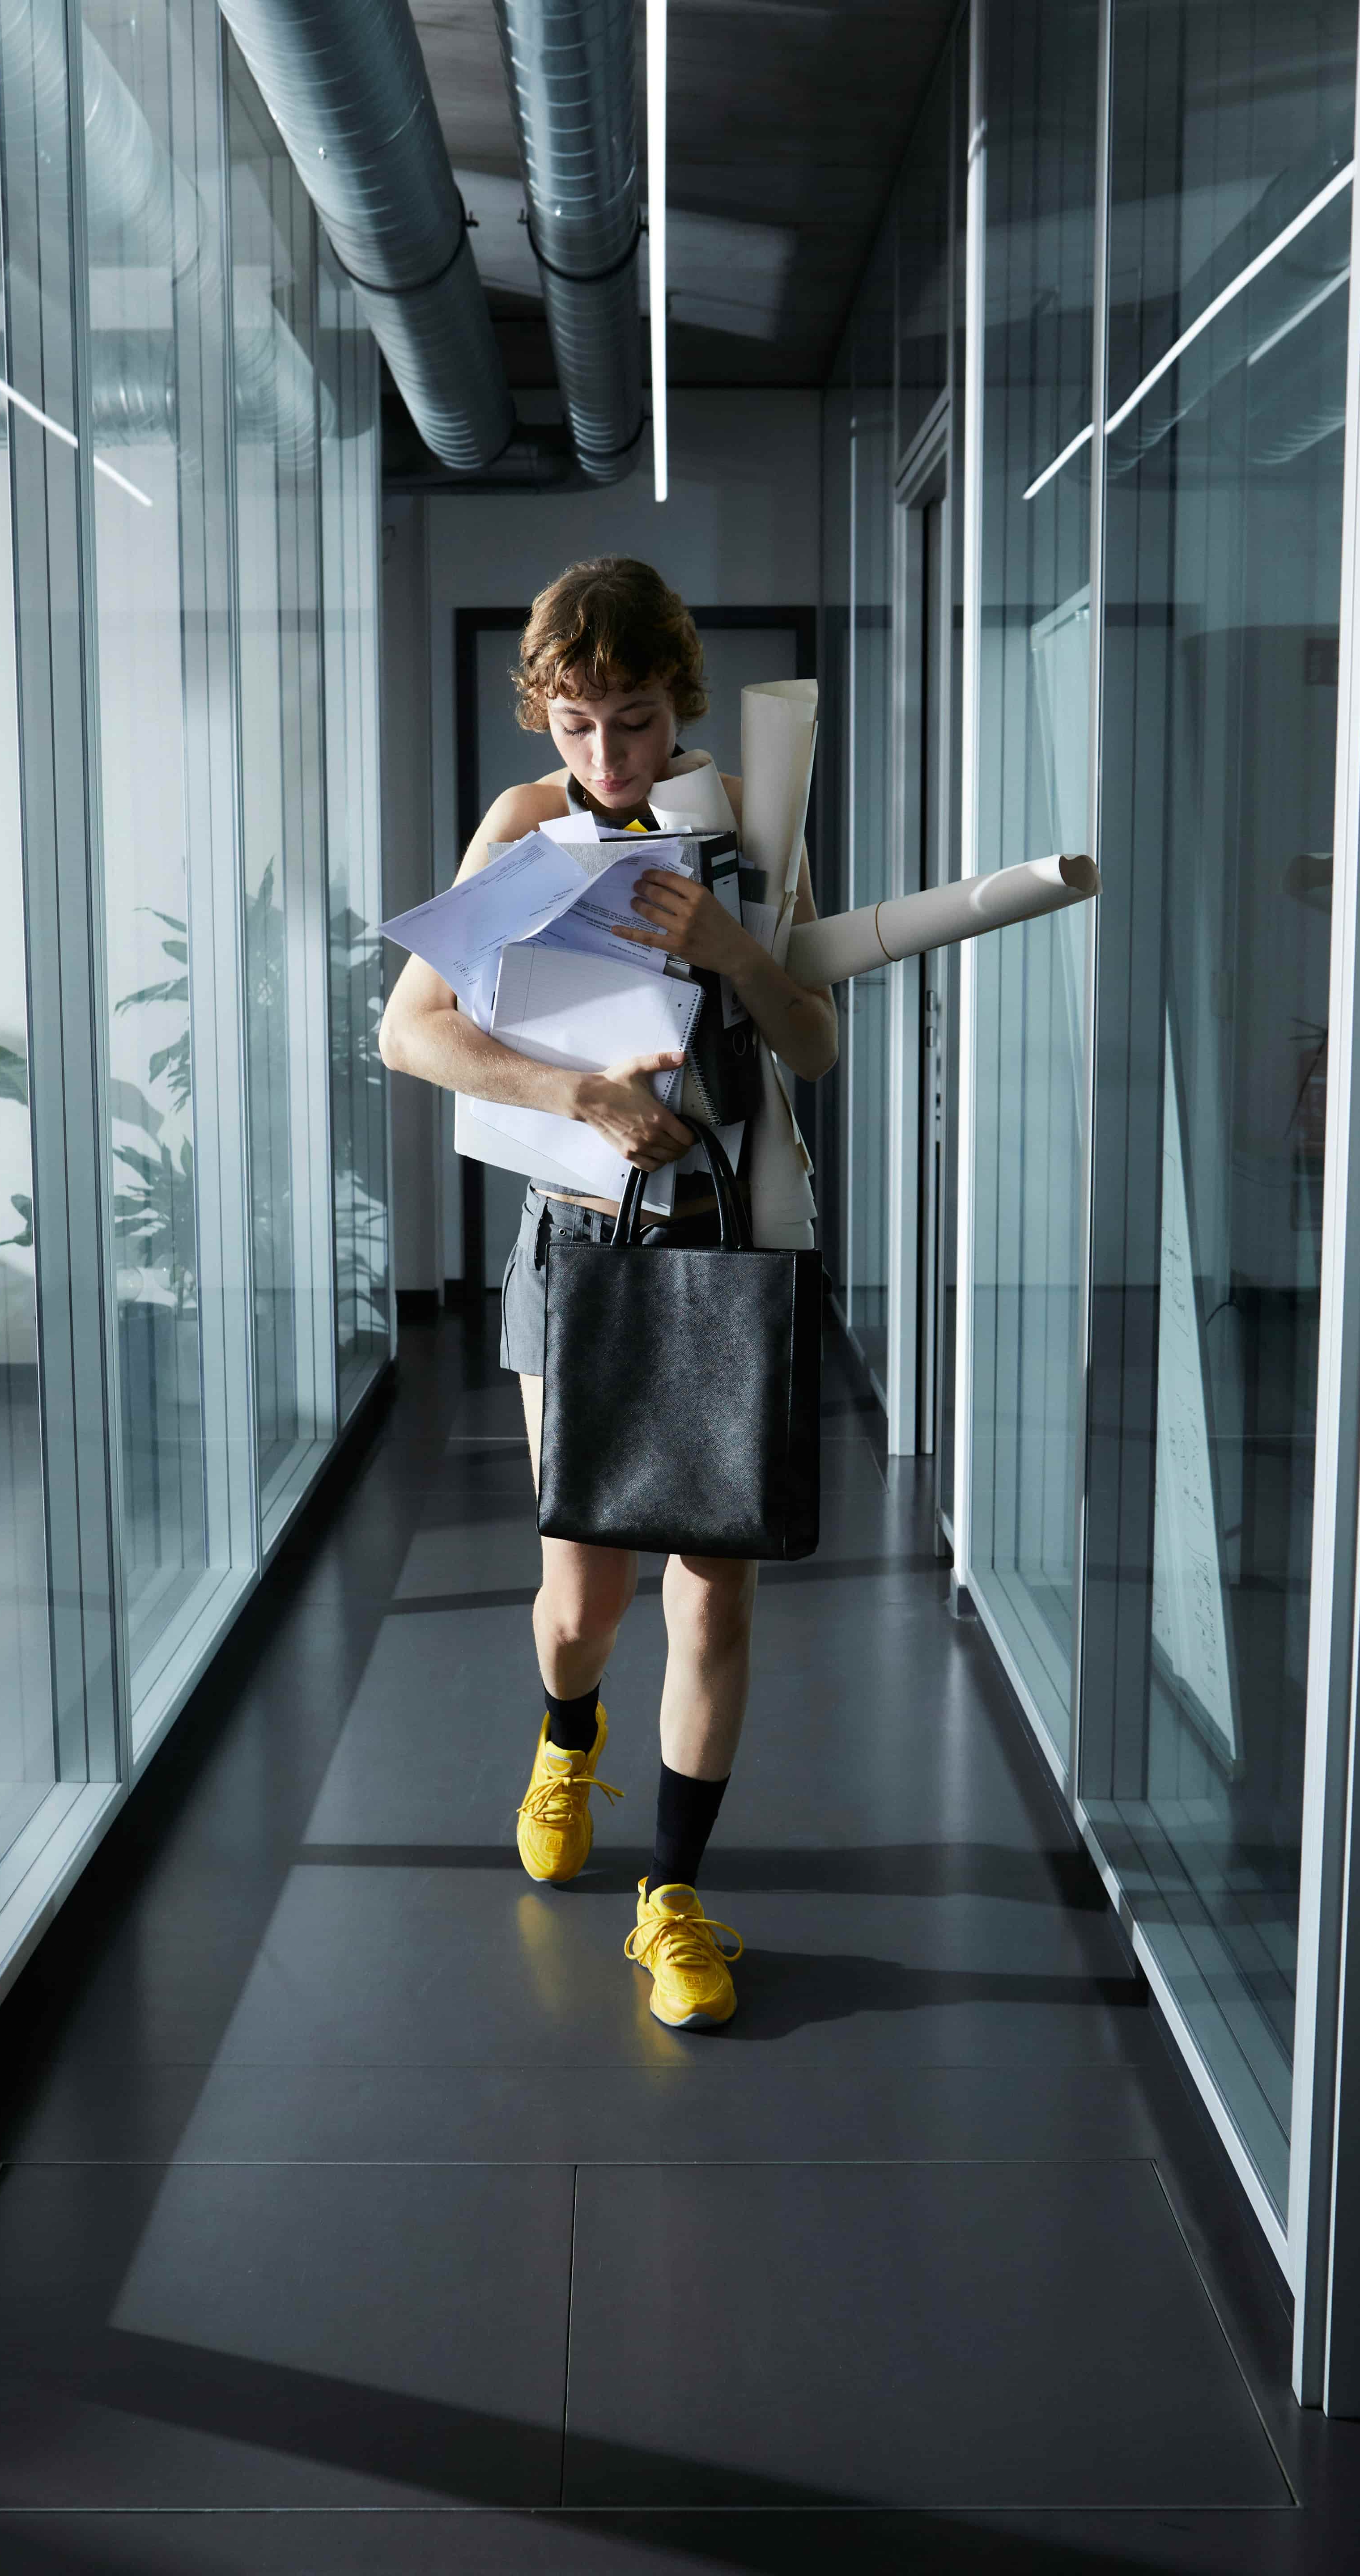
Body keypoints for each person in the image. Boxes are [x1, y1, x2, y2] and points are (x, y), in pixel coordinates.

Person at [379, 557, 837, 2029]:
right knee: (583, 1595)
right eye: (575, 726)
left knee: (715, 1593)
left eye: (631, 724)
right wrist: (575, 1095)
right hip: (577, 1245)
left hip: (727, 1240)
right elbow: (411, 1034)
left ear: (676, 702)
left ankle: (674, 1897)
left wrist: (731, 948)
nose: (603, 760)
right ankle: (568, 1738)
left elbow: (815, 1049)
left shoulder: (751, 823)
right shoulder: (523, 824)